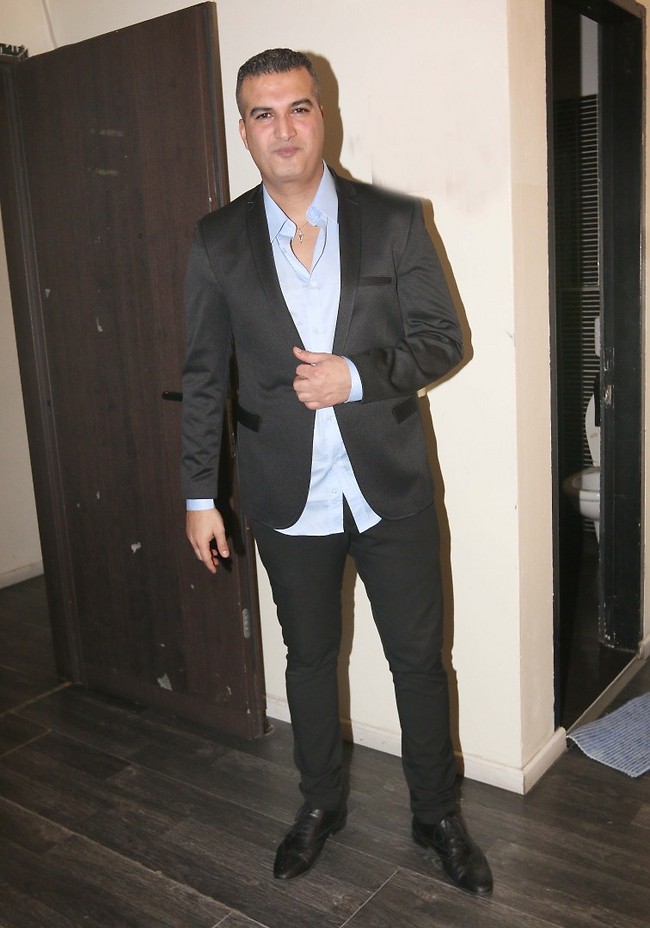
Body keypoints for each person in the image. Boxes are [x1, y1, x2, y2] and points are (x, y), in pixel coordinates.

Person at [182, 48, 492, 896]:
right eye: (263, 113)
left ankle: (436, 814)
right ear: (243, 130)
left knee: (419, 662)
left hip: (391, 488)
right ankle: (321, 803)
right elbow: (204, 376)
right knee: (309, 659)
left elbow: (445, 339)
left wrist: (355, 377)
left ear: (324, 116)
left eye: (298, 108)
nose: (282, 129)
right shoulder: (217, 241)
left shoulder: (394, 220)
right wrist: (200, 495)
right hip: (285, 492)